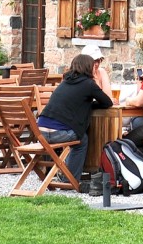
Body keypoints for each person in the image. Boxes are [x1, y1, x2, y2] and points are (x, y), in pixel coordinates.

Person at [36, 51, 113, 179]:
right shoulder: (89, 84)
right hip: (57, 134)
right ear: (88, 67)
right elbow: (107, 102)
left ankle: (64, 175)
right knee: (81, 140)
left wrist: (88, 104)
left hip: (41, 132)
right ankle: (70, 179)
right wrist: (92, 104)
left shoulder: (65, 82)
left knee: (77, 136)